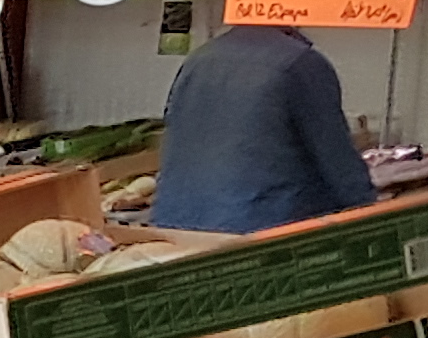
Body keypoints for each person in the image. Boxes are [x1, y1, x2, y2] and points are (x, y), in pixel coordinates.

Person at [148, 23, 378, 235]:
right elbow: (337, 160)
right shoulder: (301, 63)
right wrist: (372, 216)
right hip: (262, 229)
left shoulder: (198, 59)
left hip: (175, 224)